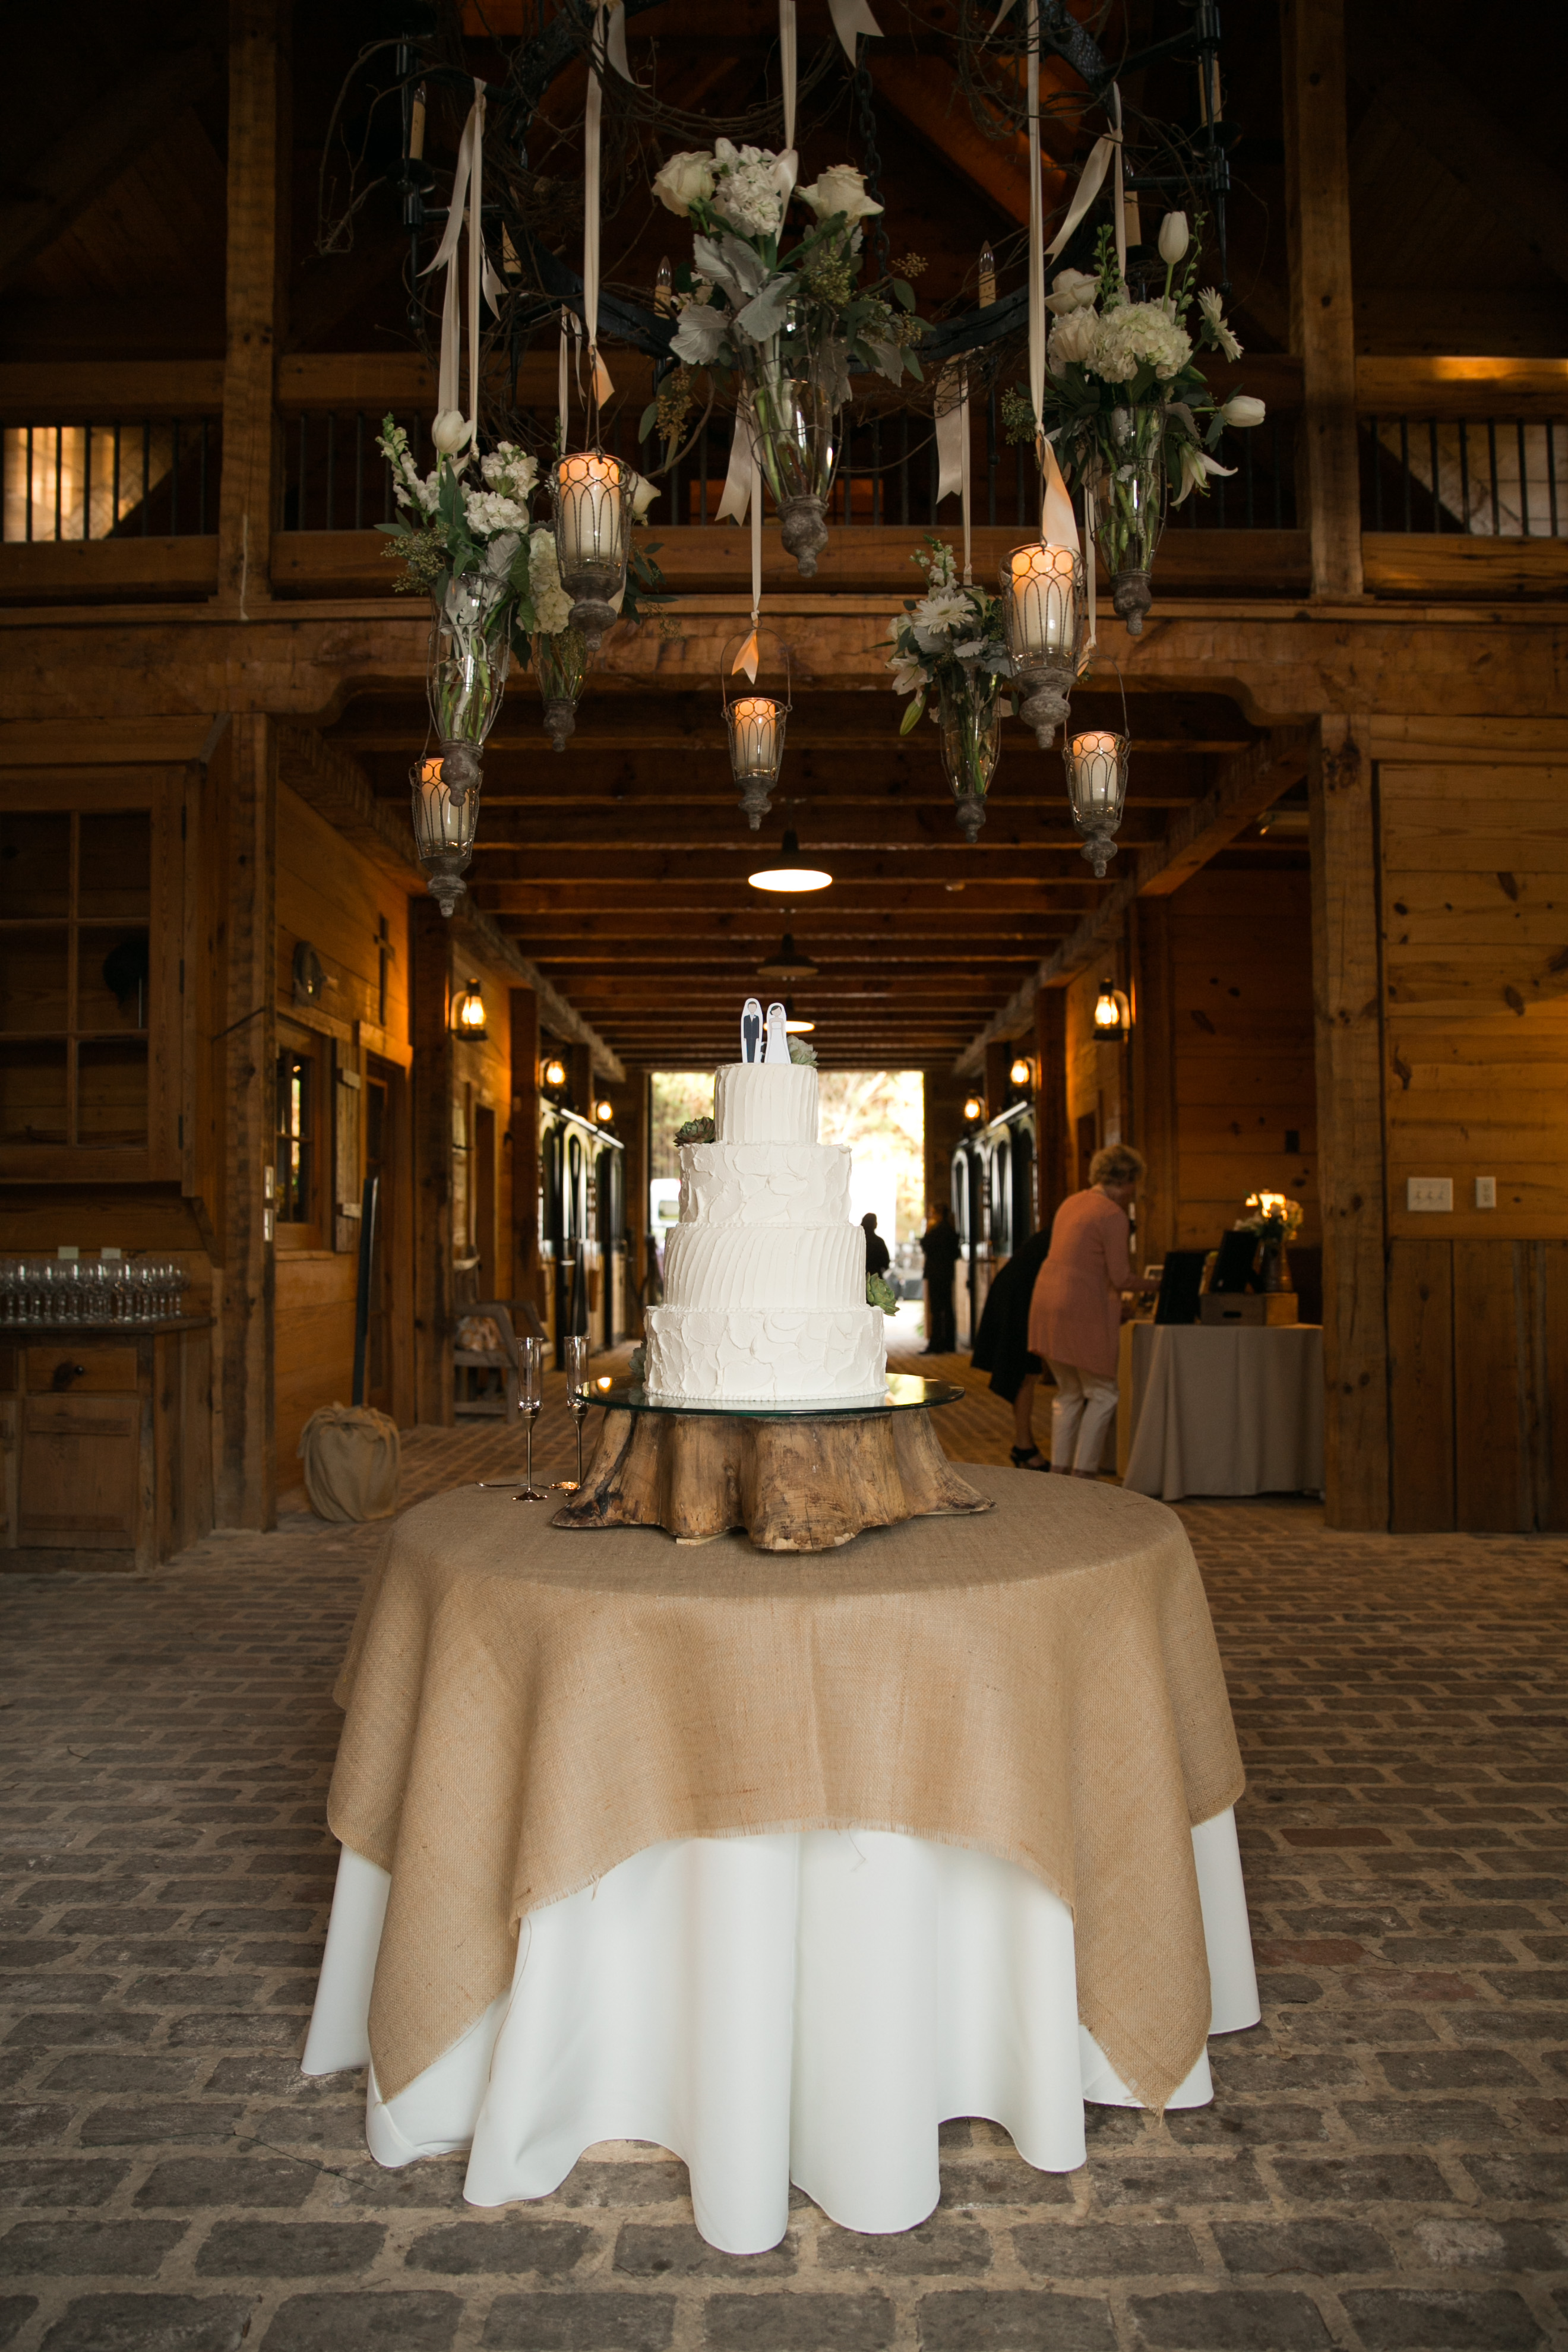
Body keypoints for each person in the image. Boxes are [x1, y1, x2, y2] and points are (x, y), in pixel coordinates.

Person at [1028, 1145, 1158, 1477]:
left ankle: (1060, 1471)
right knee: (1103, 1393)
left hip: (1047, 1303)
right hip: (1080, 1308)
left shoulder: (1072, 1203)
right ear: (1126, 1179)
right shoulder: (1112, 1214)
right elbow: (1120, 1277)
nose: (1133, 1193)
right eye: (1133, 1185)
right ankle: (1084, 1474)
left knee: (1069, 1393)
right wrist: (1161, 1285)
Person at [970, 1220, 1055, 1468]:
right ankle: (1024, 1446)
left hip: (1019, 1294)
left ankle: (1024, 1446)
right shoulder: (1067, 1235)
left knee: (1025, 1373)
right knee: (1024, 1372)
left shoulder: (1058, 1231)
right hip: (1019, 1298)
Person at [919, 1205, 960, 1354]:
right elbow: (956, 1253)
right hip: (947, 1274)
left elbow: (925, 1245)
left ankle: (936, 1344)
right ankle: (949, 1343)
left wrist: (928, 1231)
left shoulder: (936, 1231)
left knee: (936, 1309)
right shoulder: (950, 1230)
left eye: (932, 1213)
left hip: (936, 1274)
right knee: (948, 1308)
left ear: (938, 1214)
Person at [861, 1212, 891, 1279]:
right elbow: (886, 1263)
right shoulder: (879, 1242)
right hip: (875, 1279)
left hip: (858, 1279)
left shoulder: (857, 1240)